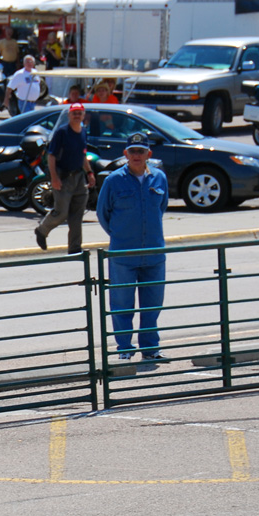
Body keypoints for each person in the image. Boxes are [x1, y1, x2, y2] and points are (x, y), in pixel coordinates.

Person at [96, 133, 169, 363]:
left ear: (149, 154)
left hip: (154, 253)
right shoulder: (113, 181)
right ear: (125, 154)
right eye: (133, 151)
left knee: (152, 304)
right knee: (122, 304)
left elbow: (162, 207)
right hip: (123, 254)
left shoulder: (159, 178)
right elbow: (103, 213)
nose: (137, 155)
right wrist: (121, 236)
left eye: (141, 151)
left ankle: (150, 348)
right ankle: (124, 348)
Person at [35, 103, 96, 254]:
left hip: (79, 178)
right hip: (63, 178)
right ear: (69, 115)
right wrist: (54, 178)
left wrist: (89, 173)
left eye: (79, 113)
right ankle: (42, 231)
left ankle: (75, 248)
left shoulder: (83, 132)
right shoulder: (62, 133)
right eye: (74, 113)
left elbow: (83, 155)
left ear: (83, 115)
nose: (76, 116)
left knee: (77, 216)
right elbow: (51, 156)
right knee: (61, 213)